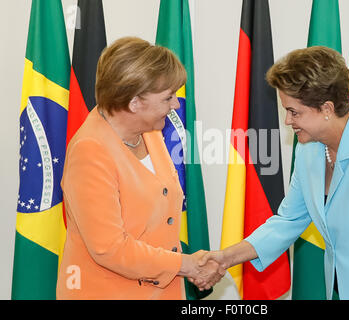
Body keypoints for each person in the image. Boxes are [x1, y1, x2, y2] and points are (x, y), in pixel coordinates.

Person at [198, 46, 349, 300]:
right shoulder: (309, 151)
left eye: (294, 112)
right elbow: (288, 221)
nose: (287, 121)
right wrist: (225, 257)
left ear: (327, 109)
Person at [56, 37, 223, 300]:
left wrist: (188, 267)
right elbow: (109, 248)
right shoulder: (90, 150)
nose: (176, 106)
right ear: (134, 103)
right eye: (168, 98)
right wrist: (185, 265)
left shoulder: (149, 132)